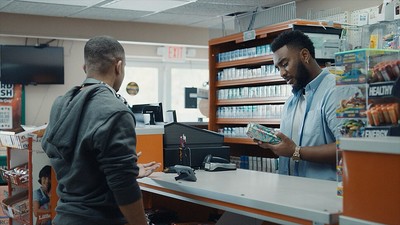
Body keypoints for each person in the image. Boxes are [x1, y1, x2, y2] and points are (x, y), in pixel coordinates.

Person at [42, 35, 160, 225]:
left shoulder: (61, 104)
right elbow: (123, 186)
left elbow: (75, 164)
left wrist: (129, 169)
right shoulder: (116, 111)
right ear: (118, 66)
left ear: (85, 68)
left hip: (64, 218)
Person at [255, 30, 358, 181]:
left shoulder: (338, 90)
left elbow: (350, 147)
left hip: (324, 198)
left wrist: (296, 151)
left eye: (285, 64)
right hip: (291, 193)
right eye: (278, 68)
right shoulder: (291, 102)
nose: (282, 73)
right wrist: (274, 144)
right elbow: (288, 149)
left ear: (304, 55)